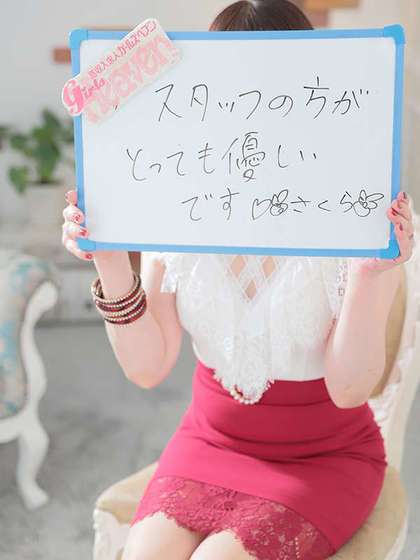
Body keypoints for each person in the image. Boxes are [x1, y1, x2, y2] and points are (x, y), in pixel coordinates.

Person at [62, 2, 416, 558]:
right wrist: (107, 257)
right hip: (209, 442)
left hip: (323, 458)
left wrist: (371, 273)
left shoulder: (352, 206)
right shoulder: (174, 200)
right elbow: (147, 366)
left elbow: (350, 390)